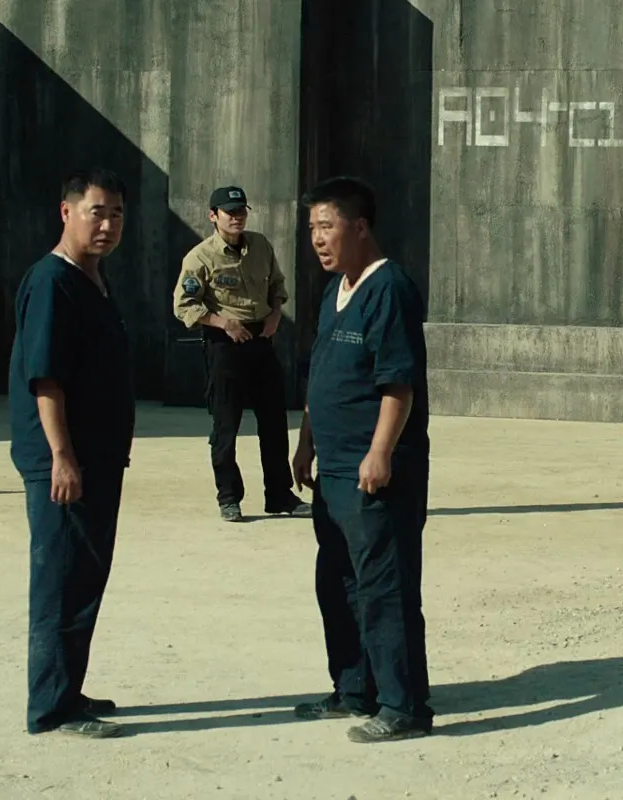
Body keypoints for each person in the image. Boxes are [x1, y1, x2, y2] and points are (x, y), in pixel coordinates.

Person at [288, 176, 434, 743]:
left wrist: (380, 451)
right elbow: (321, 375)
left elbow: (398, 383)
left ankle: (404, 705)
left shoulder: (389, 289)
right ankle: (355, 688)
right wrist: (307, 442)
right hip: (333, 472)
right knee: (339, 583)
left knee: (385, 586)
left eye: (327, 226)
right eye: (312, 229)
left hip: (376, 473)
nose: (318, 239)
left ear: (361, 226)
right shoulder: (335, 291)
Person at [8, 169, 137, 739]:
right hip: (67, 465)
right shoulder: (52, 283)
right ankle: (51, 709)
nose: (107, 225)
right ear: (67, 212)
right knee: (60, 580)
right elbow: (46, 377)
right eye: (96, 212)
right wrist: (61, 454)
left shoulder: (94, 280)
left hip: (97, 460)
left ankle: (67, 689)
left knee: (83, 578)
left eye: (117, 214)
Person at [174, 186, 309, 522]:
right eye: (229, 212)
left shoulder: (260, 245)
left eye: (241, 211)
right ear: (213, 216)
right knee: (226, 426)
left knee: (274, 422)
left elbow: (277, 285)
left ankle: (279, 495)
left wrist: (275, 314)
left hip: (261, 340)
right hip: (224, 346)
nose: (237, 217)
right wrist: (223, 323)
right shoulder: (200, 257)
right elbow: (184, 306)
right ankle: (229, 497)